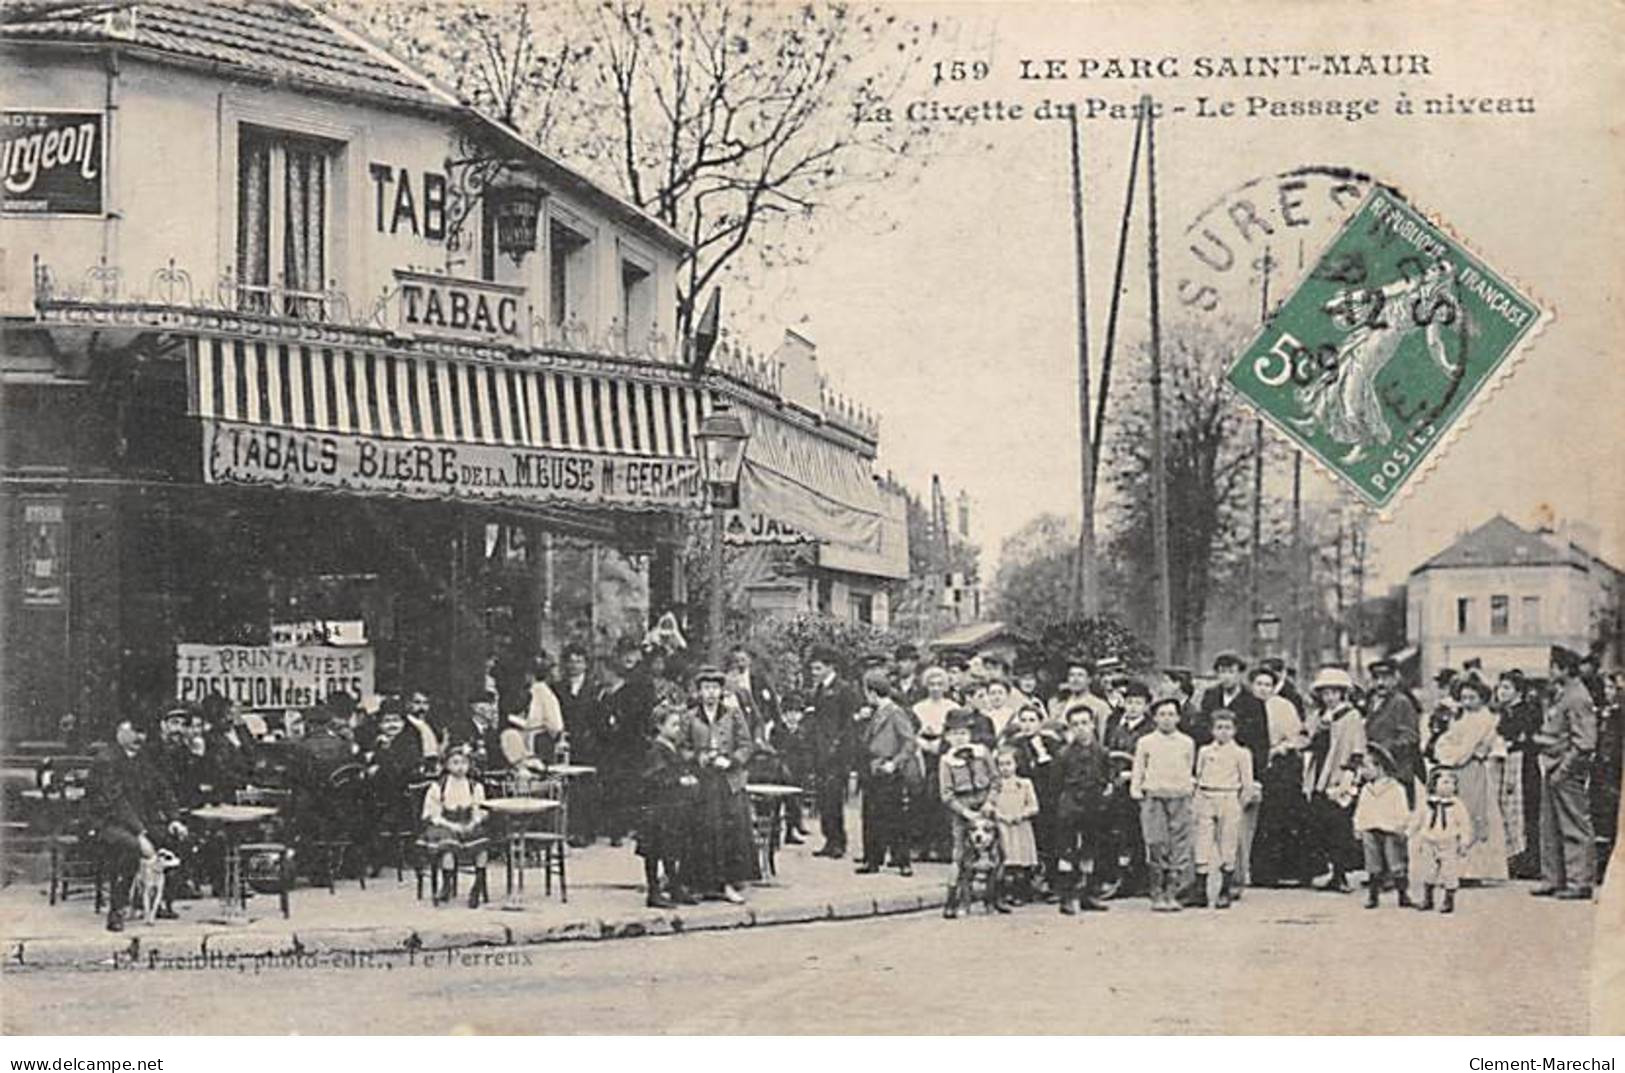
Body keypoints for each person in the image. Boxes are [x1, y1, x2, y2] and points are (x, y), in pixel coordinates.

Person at [88, 716, 191, 931]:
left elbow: (163, 788)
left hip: (137, 822)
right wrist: (140, 833)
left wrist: (174, 819)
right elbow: (116, 802)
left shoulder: (143, 758)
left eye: (142, 733)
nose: (139, 738)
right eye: (134, 731)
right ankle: (117, 910)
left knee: (174, 838)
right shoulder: (106, 760)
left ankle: (157, 901)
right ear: (120, 733)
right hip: (106, 822)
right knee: (129, 847)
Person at [681, 666, 754, 903]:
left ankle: (728, 884)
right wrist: (696, 758)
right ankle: (700, 883)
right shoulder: (690, 716)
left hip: (727, 781)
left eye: (714, 688)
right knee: (701, 831)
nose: (710, 693)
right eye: (706, 688)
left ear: (721, 690)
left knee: (728, 832)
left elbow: (746, 745)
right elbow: (681, 747)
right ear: (699, 691)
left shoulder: (733, 714)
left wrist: (732, 761)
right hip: (702, 782)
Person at [1430, 675, 1509, 883]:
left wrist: (1450, 755)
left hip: (1471, 768)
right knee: (1459, 812)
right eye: (1463, 697)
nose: (1467, 702)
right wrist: (1444, 751)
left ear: (1482, 698)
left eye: (1472, 698)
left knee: (1474, 812)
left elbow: (1466, 749)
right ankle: (1458, 868)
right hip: (1458, 769)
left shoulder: (1484, 718)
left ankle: (1474, 870)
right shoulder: (1462, 717)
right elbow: (1444, 740)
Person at [1200, 653, 1269, 890]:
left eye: (1231, 671)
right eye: (1222, 671)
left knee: (1238, 832)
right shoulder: (1210, 697)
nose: (1226, 676)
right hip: (1214, 770)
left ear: (1239, 673)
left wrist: (1256, 778)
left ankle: (1236, 881)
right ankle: (1207, 880)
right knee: (1208, 833)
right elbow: (1202, 733)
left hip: (1241, 770)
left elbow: (1261, 742)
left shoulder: (1253, 702)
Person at [1534, 645, 1597, 900]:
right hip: (1553, 766)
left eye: (1553, 667)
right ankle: (1554, 879)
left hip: (1565, 769)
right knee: (1550, 826)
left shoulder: (1578, 697)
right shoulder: (1566, 694)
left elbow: (1585, 741)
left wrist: (1565, 768)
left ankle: (1579, 882)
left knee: (1574, 825)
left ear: (1563, 669)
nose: (1549, 672)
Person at [1130, 697, 1196, 912]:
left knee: (1179, 844)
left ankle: (1173, 892)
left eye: (1171, 714)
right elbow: (1138, 768)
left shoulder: (1186, 742)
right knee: (1157, 843)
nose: (1166, 719)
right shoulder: (1146, 742)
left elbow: (1189, 768)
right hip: (1154, 796)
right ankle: (1157, 892)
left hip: (1179, 797)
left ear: (1178, 717)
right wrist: (1137, 790)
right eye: (1162, 715)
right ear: (1155, 718)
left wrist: (1187, 790)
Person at [1303, 666, 1366, 893]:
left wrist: (1349, 778)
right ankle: (1329, 871)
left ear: (1342, 693)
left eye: (1334, 692)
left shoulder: (1351, 716)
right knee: (1322, 825)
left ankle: (1342, 873)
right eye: (1325, 693)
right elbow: (1306, 739)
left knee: (1340, 824)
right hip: (1319, 771)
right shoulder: (1318, 717)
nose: (1329, 697)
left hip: (1339, 775)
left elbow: (1357, 747)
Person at [1251, 663, 1310, 887]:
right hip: (1256, 763)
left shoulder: (1283, 706)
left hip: (1281, 765)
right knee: (1262, 820)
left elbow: (1298, 736)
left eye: (1268, 685)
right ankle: (1261, 872)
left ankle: (1288, 870)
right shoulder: (1247, 706)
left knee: (1281, 816)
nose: (1263, 689)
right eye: (1259, 684)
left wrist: (1280, 748)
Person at [856, 669, 919, 877]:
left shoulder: (895, 712)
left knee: (894, 817)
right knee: (871, 815)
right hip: (872, 768)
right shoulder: (874, 713)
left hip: (888, 769)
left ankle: (902, 860)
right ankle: (873, 858)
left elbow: (909, 741)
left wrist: (895, 762)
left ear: (873, 692)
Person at [939, 706, 998, 919]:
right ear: (947, 736)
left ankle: (993, 898)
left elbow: (995, 780)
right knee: (959, 857)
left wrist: (990, 802)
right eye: (954, 734)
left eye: (963, 733)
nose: (960, 738)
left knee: (996, 852)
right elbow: (946, 794)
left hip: (986, 808)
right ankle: (953, 900)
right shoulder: (947, 761)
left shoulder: (982, 753)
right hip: (962, 811)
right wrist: (965, 812)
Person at [639, 703, 699, 908]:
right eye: (673, 724)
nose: (678, 728)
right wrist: (678, 781)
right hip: (657, 809)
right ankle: (653, 891)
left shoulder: (672, 749)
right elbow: (655, 776)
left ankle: (674, 887)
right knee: (654, 850)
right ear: (659, 726)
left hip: (671, 808)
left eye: (679, 724)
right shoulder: (656, 750)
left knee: (670, 849)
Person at [1192, 710, 1253, 909]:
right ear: (1212, 730)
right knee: (1202, 841)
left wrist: (1240, 803)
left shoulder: (1241, 753)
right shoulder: (1204, 751)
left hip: (1229, 797)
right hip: (1207, 795)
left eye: (1227, 728)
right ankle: (1200, 890)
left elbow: (1247, 783)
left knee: (1228, 843)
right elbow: (1198, 775)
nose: (1223, 732)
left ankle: (1225, 890)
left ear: (1235, 730)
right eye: (1219, 728)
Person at [1054, 707, 1112, 914]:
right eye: (1075, 724)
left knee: (1091, 849)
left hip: (1093, 806)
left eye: (1085, 723)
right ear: (1070, 728)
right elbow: (1056, 784)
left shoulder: (1102, 752)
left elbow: (1106, 778)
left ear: (1093, 724)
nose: (1081, 729)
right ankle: (1067, 897)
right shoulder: (1063, 754)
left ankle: (1088, 893)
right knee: (1067, 852)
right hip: (1070, 806)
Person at [1103, 680, 1157, 896]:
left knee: (1139, 833)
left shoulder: (1150, 729)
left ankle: (1142, 879)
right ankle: (1122, 877)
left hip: (1141, 786)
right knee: (1120, 831)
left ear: (1146, 706)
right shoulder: (1117, 727)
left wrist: (1133, 774)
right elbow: (1109, 753)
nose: (1133, 707)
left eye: (1138, 703)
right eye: (1129, 702)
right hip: (1118, 787)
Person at [806, 646, 860, 860]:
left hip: (837, 754)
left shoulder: (844, 689)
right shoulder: (819, 689)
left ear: (830, 667)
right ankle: (829, 839)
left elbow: (848, 724)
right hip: (821, 751)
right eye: (813, 669)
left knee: (834, 797)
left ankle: (838, 841)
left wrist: (838, 749)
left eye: (818, 668)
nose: (814, 673)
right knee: (823, 797)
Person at [1006, 704, 1063, 897]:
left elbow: (1056, 772)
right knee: (1024, 842)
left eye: (1032, 720)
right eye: (1024, 720)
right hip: (1021, 799)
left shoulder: (1051, 743)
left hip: (1047, 798)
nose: (1027, 725)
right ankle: (1023, 886)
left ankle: (1052, 883)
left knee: (1049, 841)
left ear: (1040, 723)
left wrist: (1042, 755)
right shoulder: (1015, 744)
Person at [421, 744, 489, 907]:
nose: (460, 767)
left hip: (467, 823)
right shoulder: (439, 786)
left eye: (464, 763)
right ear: (447, 765)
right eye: (455, 763)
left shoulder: (475, 787)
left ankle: (477, 886)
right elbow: (434, 814)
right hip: (446, 824)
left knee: (481, 845)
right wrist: (452, 825)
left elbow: (479, 809)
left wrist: (473, 822)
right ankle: (447, 884)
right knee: (447, 847)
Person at [1353, 743, 1414, 908]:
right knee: (1373, 863)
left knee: (1396, 862)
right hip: (1370, 828)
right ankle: (1373, 895)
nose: (1363, 772)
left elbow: (1402, 809)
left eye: (1366, 767)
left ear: (1379, 767)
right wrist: (1359, 826)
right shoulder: (1366, 789)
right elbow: (1361, 809)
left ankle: (1403, 894)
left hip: (1390, 829)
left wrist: (1402, 825)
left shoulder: (1395, 788)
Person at [1493, 670, 1538, 876]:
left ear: (1518, 691)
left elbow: (1524, 739)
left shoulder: (1526, 711)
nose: (1501, 692)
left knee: (1525, 812)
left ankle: (1528, 861)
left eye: (1507, 688)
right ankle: (1513, 858)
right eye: (1500, 687)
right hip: (1506, 765)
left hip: (1523, 767)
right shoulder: (1501, 712)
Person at [911, 667, 958, 863]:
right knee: (923, 799)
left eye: (940, 684)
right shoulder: (919, 708)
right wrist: (922, 742)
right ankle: (923, 846)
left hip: (944, 753)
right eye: (932, 684)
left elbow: (955, 731)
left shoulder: (952, 706)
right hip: (923, 754)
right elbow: (912, 732)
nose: (936, 688)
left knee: (942, 798)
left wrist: (941, 743)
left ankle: (943, 847)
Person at [1411, 767, 1471, 914]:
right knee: (1428, 870)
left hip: (1448, 842)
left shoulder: (1457, 805)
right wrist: (1409, 832)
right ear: (1433, 784)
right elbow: (1417, 820)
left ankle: (1448, 899)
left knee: (1449, 871)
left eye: (1452, 783)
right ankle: (1428, 898)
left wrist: (1464, 842)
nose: (1449, 786)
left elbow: (1464, 824)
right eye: (1444, 782)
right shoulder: (1426, 803)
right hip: (1429, 841)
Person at [1366, 659, 1423, 803]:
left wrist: (1384, 749)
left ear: (1395, 679)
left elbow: (1411, 736)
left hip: (1397, 770)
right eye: (1376, 678)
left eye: (1385, 678)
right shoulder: (1372, 702)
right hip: (1375, 771)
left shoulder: (1401, 702)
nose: (1380, 683)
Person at [988, 747, 1040, 901]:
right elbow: (989, 804)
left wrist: (1021, 815)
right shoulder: (995, 785)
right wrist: (999, 815)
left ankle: (1021, 892)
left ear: (1016, 764)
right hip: (1003, 826)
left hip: (1020, 826)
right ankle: (1005, 892)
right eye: (1001, 764)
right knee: (1005, 858)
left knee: (1021, 860)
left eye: (1008, 763)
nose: (1005, 768)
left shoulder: (1024, 784)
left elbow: (1034, 806)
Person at [769, 703, 813, 844]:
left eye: (796, 713)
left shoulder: (803, 731)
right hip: (779, 770)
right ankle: (774, 836)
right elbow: (773, 749)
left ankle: (790, 832)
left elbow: (807, 752)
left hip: (797, 771)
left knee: (793, 803)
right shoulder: (777, 730)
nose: (793, 716)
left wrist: (806, 768)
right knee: (776, 804)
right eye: (790, 713)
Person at [1593, 673, 1622, 884]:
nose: (1608, 693)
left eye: (1612, 688)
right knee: (1602, 818)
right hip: (1602, 771)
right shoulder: (1604, 713)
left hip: (1614, 771)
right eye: (1606, 688)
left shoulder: (1618, 715)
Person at [727, 645, 781, 742]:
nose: (740, 664)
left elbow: (772, 699)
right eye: (736, 661)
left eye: (743, 660)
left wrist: (777, 720)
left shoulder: (759, 677)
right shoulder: (731, 678)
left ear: (749, 660)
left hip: (759, 718)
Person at [1050, 656, 1112, 741]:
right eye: (1072, 675)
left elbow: (1102, 739)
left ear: (1089, 680)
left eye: (1080, 675)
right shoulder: (1060, 706)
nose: (1075, 680)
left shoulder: (1100, 706)